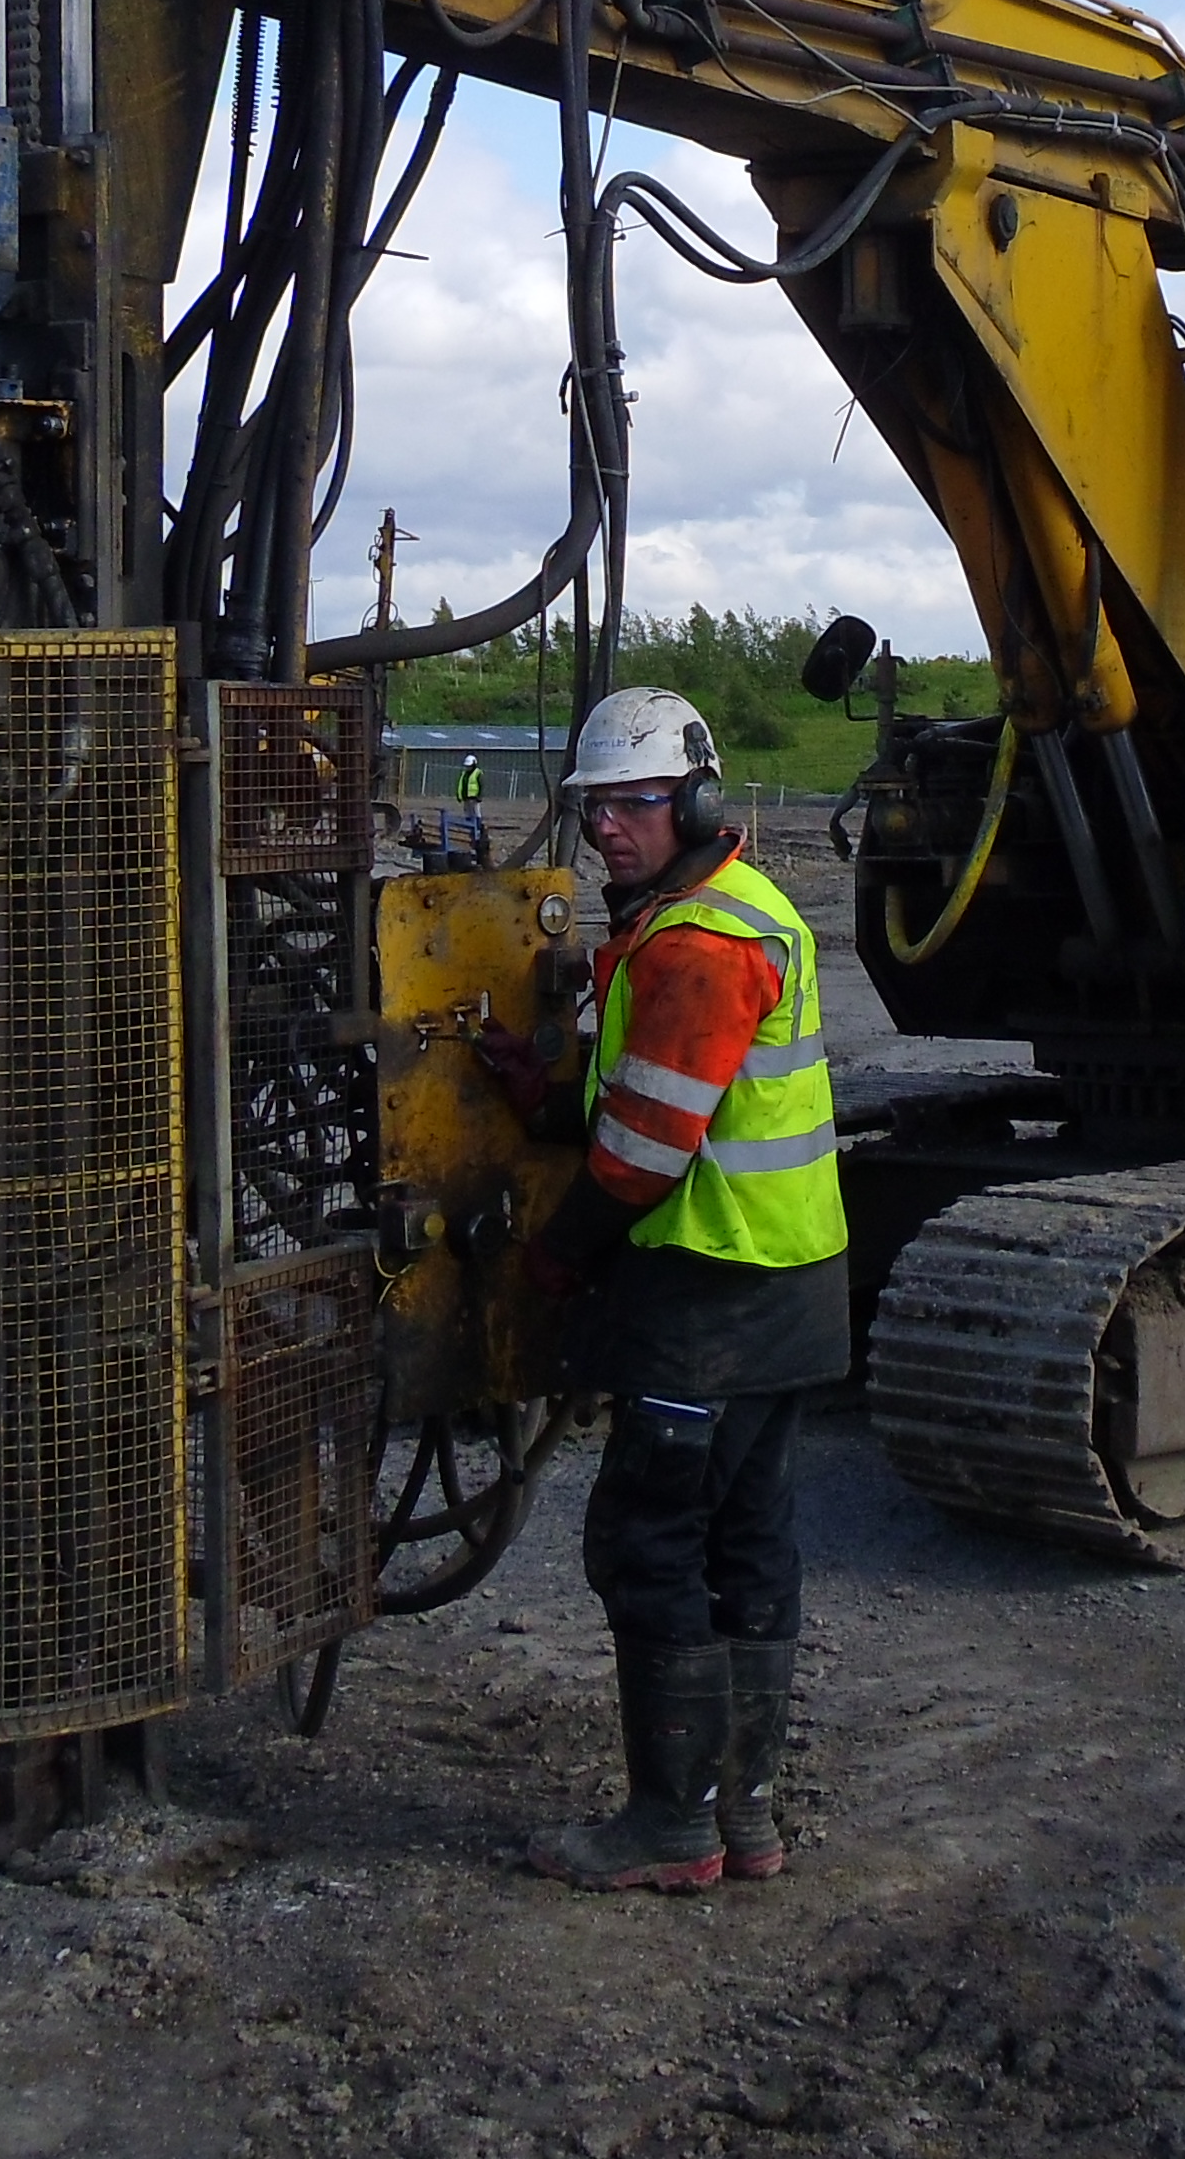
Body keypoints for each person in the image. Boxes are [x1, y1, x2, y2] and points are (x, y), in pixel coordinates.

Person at [480, 686, 846, 1893]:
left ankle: (670, 1829)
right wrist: (543, 1095)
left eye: (634, 805)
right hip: (786, 1285)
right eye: (594, 808)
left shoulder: (699, 945)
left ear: (691, 800)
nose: (608, 831)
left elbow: (643, 1154)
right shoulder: (699, 919)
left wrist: (554, 1257)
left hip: (710, 1293)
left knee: (651, 1545)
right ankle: (744, 1824)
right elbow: (635, 1096)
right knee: (749, 1544)